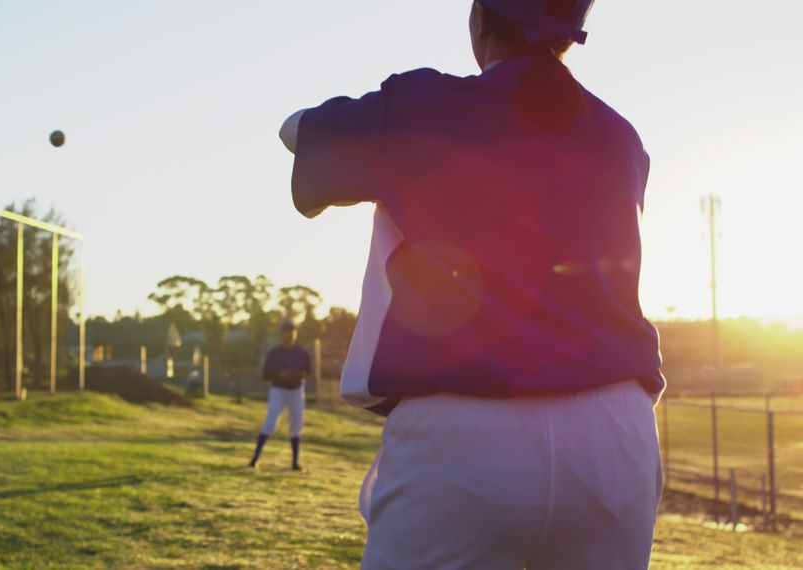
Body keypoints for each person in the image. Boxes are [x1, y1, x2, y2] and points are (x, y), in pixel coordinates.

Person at [280, 1, 664, 568]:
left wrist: (386, 131)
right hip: (616, 433)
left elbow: (296, 133)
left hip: (467, 428)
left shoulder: (423, 105)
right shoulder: (620, 136)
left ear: (481, 20)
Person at [248, 319, 312, 470]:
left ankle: (295, 462)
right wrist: (280, 374)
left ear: (295, 334)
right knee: (270, 422)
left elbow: (308, 373)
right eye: (286, 332)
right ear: (281, 335)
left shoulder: (302, 353)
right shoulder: (274, 353)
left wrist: (298, 374)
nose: (289, 335)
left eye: (292, 332)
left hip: (296, 390)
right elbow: (265, 375)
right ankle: (255, 459)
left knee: (296, 424)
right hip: (279, 390)